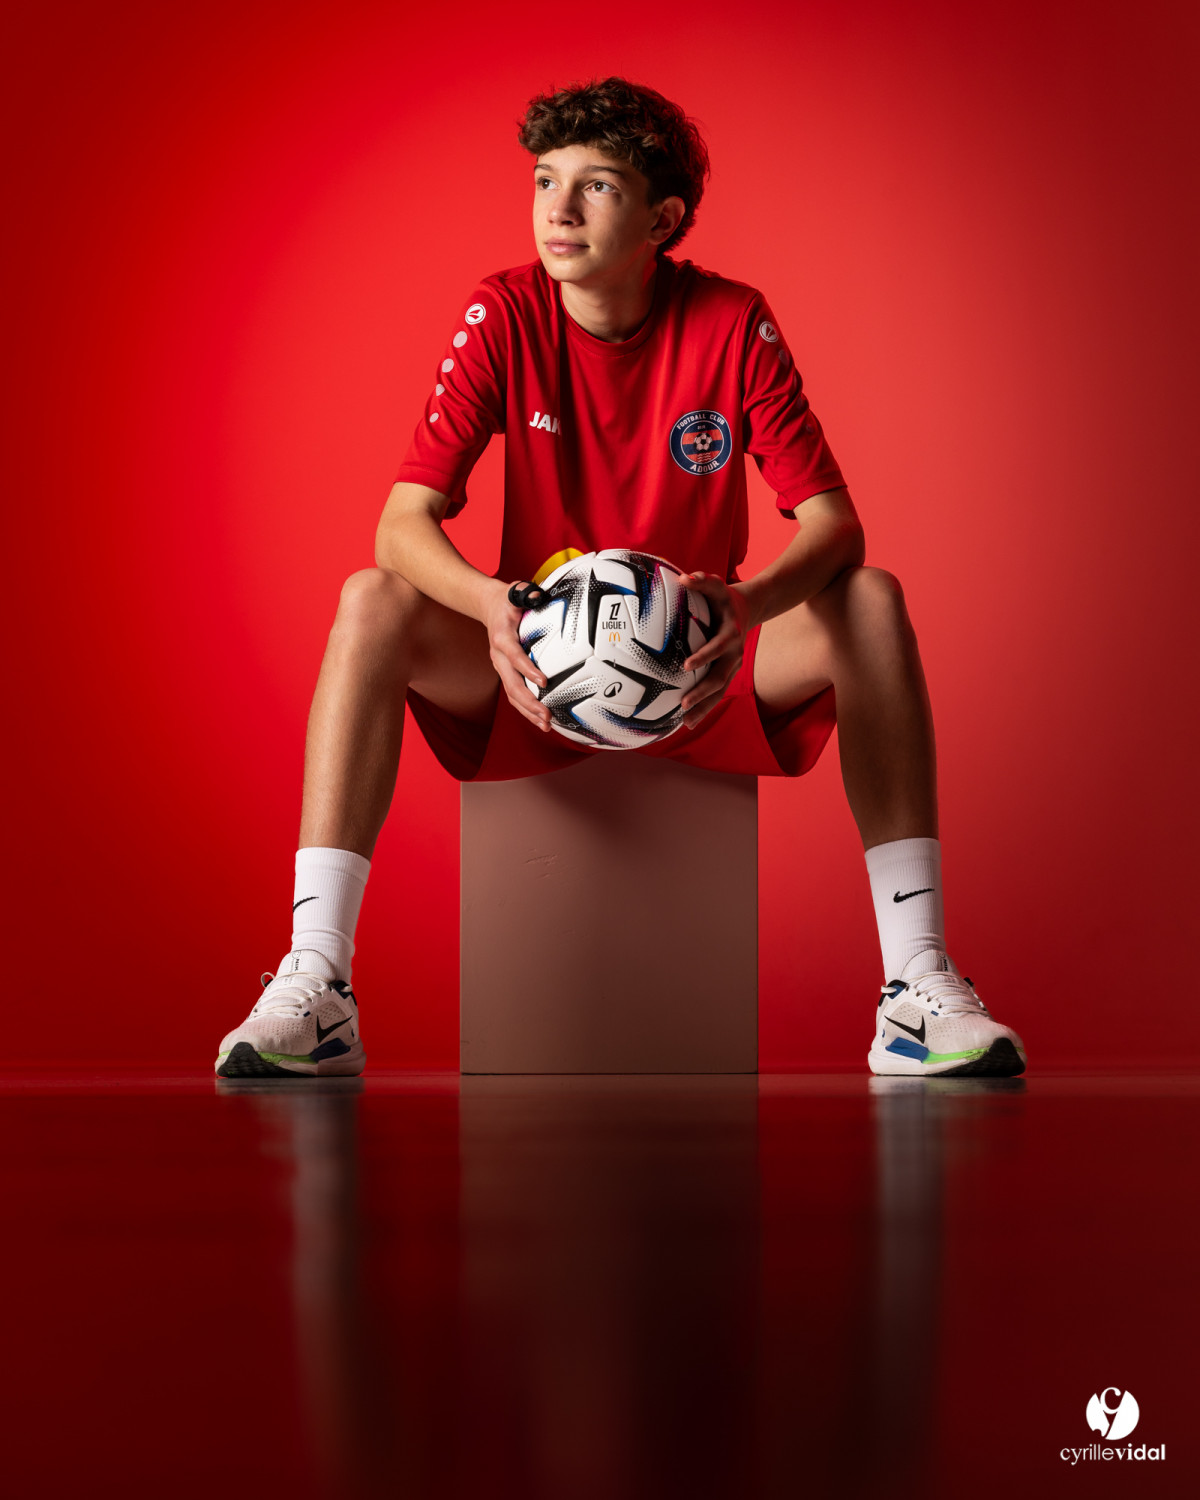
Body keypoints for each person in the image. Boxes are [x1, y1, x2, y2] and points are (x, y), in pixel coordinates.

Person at [215, 77, 1026, 1081]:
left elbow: (834, 526)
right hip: (529, 680)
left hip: (700, 677)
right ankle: (318, 981)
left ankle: (915, 985)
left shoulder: (731, 320)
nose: (557, 209)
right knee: (370, 601)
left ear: (662, 220)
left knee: (870, 599)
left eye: (595, 186)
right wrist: (492, 607)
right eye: (544, 180)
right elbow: (400, 526)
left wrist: (744, 608)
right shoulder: (505, 311)